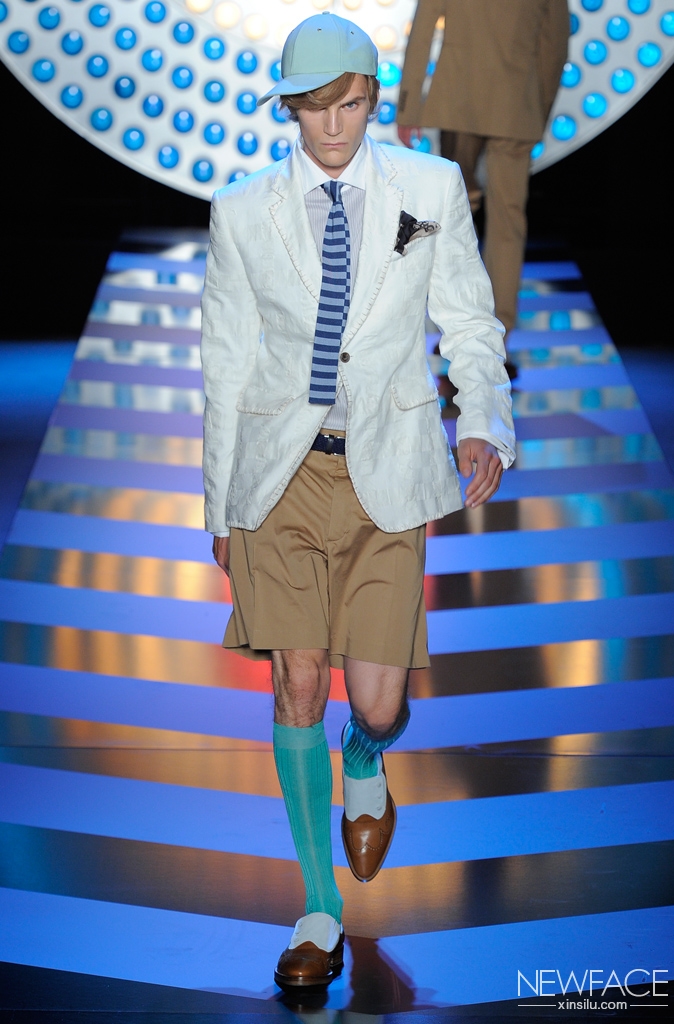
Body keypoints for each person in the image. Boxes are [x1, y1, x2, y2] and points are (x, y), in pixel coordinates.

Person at [201, 11, 515, 989]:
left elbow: (467, 317)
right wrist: (219, 507)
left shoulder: (429, 188)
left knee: (377, 700)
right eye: (314, 107)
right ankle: (317, 911)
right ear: (289, 109)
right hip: (279, 475)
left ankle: (365, 755)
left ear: (372, 101)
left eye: (349, 104)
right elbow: (224, 363)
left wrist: (482, 419)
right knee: (295, 681)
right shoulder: (240, 212)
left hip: (387, 472)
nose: (333, 126)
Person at [397, 0, 569, 356]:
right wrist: (539, 107)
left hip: (459, 99)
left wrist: (409, 106)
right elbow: (555, 43)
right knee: (508, 221)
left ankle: (457, 325)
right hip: (516, 102)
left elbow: (423, 27)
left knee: (456, 217)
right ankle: (497, 331)